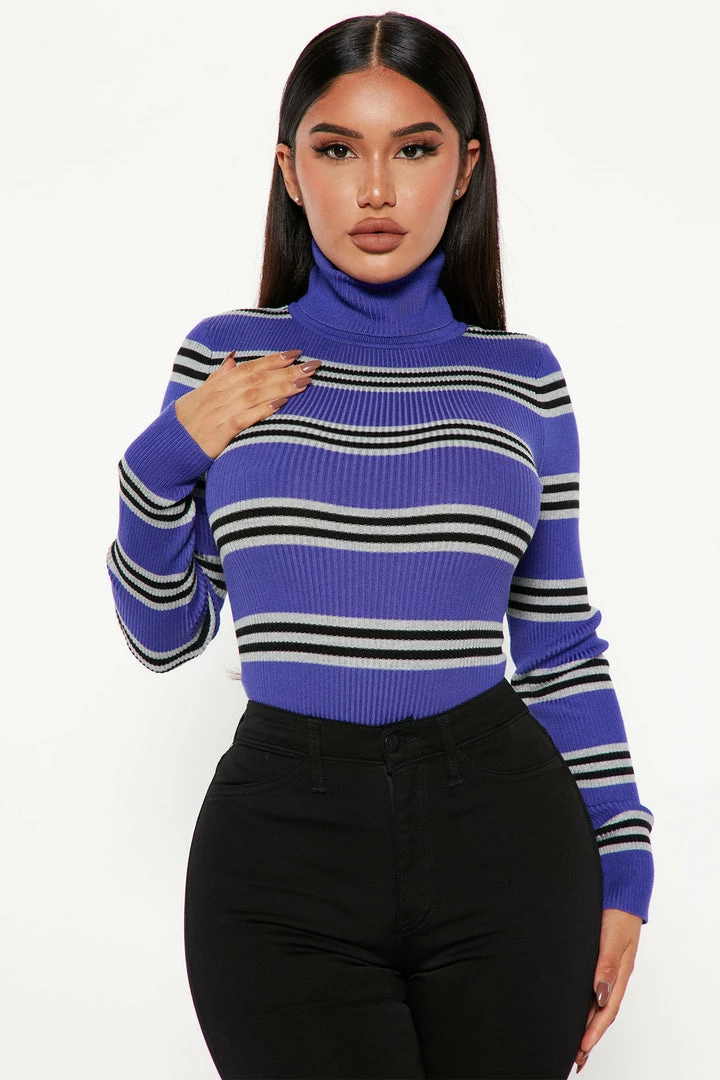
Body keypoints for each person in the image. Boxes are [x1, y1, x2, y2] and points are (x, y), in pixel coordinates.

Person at [106, 11, 654, 1079]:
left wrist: (625, 871)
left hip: (506, 836)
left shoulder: (523, 379)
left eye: (412, 148)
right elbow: (163, 637)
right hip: (281, 853)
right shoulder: (227, 362)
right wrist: (159, 462)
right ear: (289, 170)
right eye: (336, 149)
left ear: (464, 168)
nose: (373, 189)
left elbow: (557, 647)